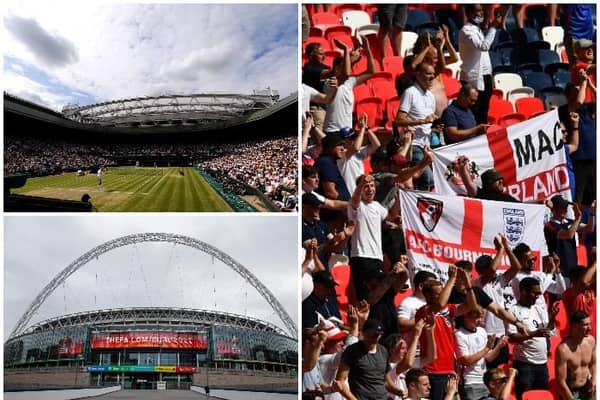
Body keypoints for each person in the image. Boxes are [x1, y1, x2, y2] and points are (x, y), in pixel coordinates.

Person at [415, 266, 477, 400]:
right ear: (427, 295)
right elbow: (440, 302)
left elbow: (471, 305)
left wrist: (468, 285)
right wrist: (452, 279)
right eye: (438, 293)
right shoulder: (424, 311)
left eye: (442, 292)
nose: (442, 295)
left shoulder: (448, 309)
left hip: (449, 369)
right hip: (433, 370)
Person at [347, 174, 399, 302]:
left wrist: (399, 198)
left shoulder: (377, 206)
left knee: (382, 295)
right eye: (366, 186)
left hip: (377, 257)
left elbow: (391, 216)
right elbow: (355, 199)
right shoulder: (355, 205)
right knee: (366, 296)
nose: (370, 189)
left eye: (372, 186)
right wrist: (360, 184)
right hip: (361, 256)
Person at [508, 277, 559, 400]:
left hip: (542, 364)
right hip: (525, 366)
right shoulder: (513, 310)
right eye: (535, 292)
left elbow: (548, 331)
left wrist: (552, 319)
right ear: (524, 292)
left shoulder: (538, 308)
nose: (538, 295)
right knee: (525, 397)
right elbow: (512, 338)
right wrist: (533, 334)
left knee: (541, 397)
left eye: (539, 292)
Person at [335, 318, 405, 400]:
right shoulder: (352, 351)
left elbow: (385, 381)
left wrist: (398, 391)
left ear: (380, 335)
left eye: (376, 335)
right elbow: (340, 381)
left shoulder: (383, 351)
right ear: (363, 333)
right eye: (370, 334)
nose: (373, 338)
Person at [395, 62, 438, 191]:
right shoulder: (410, 93)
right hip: (414, 144)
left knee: (431, 179)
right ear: (418, 75)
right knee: (427, 178)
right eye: (428, 74)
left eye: (433, 74)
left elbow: (428, 122)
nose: (432, 77)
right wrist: (420, 122)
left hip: (427, 144)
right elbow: (399, 120)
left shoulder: (431, 96)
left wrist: (434, 127)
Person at [455, 305, 509, 400]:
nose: (479, 320)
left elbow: (488, 357)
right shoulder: (460, 335)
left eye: (481, 317)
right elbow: (466, 360)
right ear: (466, 316)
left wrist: (498, 346)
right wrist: (486, 348)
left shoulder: (482, 331)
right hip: (470, 382)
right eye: (476, 317)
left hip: (483, 380)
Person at [323, 38, 375, 134]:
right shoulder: (330, 82)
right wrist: (346, 50)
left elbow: (371, 72)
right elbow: (345, 74)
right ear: (336, 68)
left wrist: (368, 50)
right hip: (333, 131)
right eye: (342, 65)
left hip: (347, 131)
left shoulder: (349, 82)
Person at [458, 4, 499, 125]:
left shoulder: (477, 29)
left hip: (485, 77)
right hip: (473, 78)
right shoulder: (466, 31)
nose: (481, 14)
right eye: (478, 11)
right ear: (469, 13)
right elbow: (483, 47)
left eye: (482, 11)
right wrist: (493, 28)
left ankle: (482, 137)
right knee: (474, 113)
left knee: (484, 111)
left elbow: (484, 57)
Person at [544, 195, 595, 278]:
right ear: (555, 209)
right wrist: (578, 218)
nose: (566, 209)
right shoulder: (550, 225)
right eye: (563, 207)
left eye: (566, 206)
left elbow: (589, 228)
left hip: (573, 268)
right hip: (559, 269)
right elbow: (569, 235)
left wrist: (592, 212)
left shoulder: (570, 222)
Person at [555, 311, 596, 400]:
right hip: (570, 392)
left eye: (590, 324)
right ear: (575, 327)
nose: (590, 328)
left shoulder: (591, 341)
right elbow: (560, 381)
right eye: (585, 325)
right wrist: (571, 399)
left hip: (587, 388)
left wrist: (594, 379)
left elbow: (593, 363)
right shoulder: (563, 350)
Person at [337, 117, 381, 194]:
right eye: (350, 138)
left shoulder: (359, 151)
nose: (353, 140)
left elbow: (377, 145)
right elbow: (355, 148)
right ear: (343, 141)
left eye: (354, 137)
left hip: (361, 191)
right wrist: (362, 129)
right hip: (350, 192)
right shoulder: (341, 154)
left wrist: (367, 129)